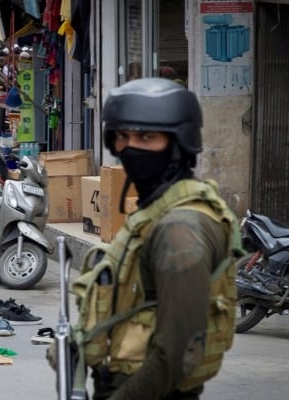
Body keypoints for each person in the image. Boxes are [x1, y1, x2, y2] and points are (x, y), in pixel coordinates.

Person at [52, 78, 240, 400]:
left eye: (146, 137)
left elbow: (175, 355)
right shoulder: (156, 211)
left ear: (180, 142)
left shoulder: (180, 230)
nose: (130, 148)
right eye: (122, 136)